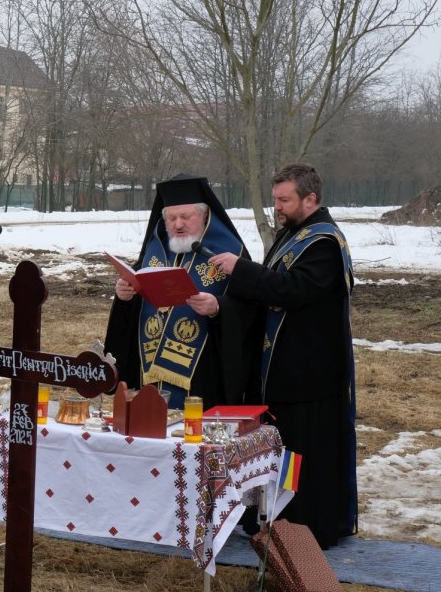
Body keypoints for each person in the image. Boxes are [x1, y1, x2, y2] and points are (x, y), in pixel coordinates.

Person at [209, 164, 357, 549]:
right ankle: (275, 522)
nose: (277, 206)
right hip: (283, 369)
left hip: (311, 372)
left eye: (284, 199)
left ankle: (307, 531)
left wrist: (241, 270)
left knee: (306, 455)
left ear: (311, 199)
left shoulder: (323, 242)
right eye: (275, 198)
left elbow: (292, 290)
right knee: (280, 451)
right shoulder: (293, 235)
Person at [104, 174, 254, 410]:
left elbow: (250, 309)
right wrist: (124, 297)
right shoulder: (155, 251)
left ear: (205, 215)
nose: (178, 224)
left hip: (204, 374)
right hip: (150, 371)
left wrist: (218, 307)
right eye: (171, 218)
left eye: (186, 217)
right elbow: (136, 305)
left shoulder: (230, 252)